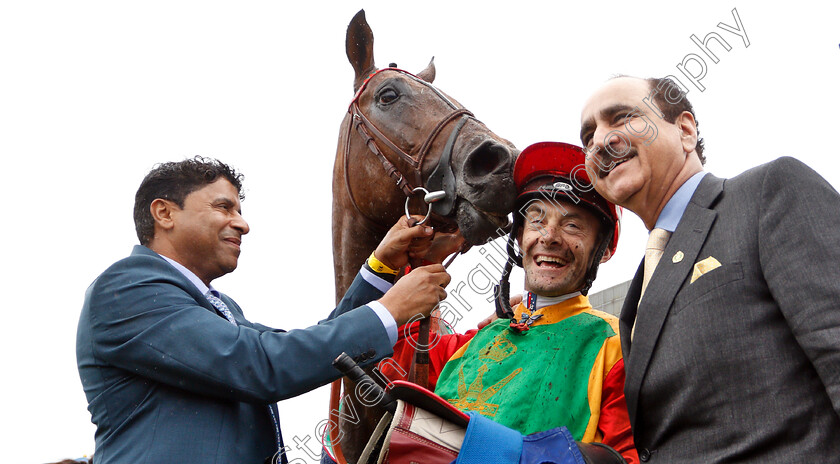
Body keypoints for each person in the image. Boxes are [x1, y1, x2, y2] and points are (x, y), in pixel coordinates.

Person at [76, 156, 451, 464]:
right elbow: (262, 364)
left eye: (239, 210)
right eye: (224, 207)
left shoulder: (220, 308)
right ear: (164, 213)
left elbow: (310, 350)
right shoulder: (125, 289)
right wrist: (389, 310)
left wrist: (381, 267)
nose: (243, 224)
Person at [579, 75, 840, 462]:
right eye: (588, 137)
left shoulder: (768, 191)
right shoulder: (640, 292)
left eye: (621, 117)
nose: (600, 141)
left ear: (685, 131)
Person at [375, 142, 637, 463]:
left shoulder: (615, 348)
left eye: (572, 225)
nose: (549, 236)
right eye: (537, 220)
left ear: (604, 249)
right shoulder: (472, 343)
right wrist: (410, 263)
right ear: (520, 237)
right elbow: (390, 359)